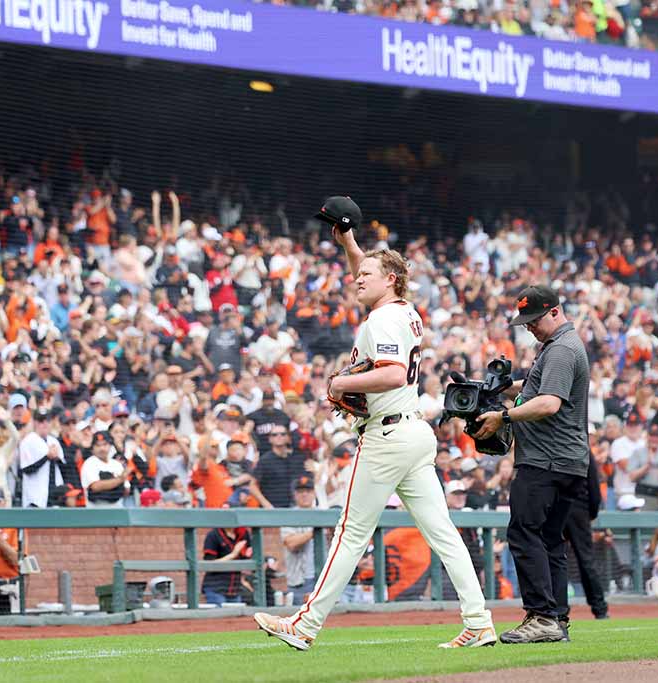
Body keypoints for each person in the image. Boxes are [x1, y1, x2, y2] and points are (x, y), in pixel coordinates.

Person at [254, 197, 495, 651]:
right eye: (358, 272)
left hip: (387, 435)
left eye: (366, 275)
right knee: (444, 533)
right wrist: (349, 243)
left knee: (350, 533)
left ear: (391, 280)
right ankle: (479, 621)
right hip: (414, 432)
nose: (357, 278)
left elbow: (391, 374)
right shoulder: (403, 311)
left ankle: (304, 625)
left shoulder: (382, 319)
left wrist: (340, 382)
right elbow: (371, 271)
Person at [473, 284, 591, 644]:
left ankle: (541, 616)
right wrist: (498, 388)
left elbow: (549, 403)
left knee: (524, 534)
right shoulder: (561, 346)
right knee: (550, 539)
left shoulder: (561, 349)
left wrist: (502, 416)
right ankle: (556, 620)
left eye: (534, 320)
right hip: (566, 461)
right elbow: (536, 388)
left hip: (546, 461)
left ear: (555, 311)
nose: (529, 327)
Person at [563, 454, 608, 621]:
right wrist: (592, 511)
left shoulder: (553, 445)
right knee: (586, 559)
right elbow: (594, 485)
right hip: (579, 508)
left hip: (558, 506)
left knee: (555, 559)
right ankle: (600, 608)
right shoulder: (583, 449)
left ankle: (558, 608)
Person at [280, 475, 319, 605]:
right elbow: (291, 543)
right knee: (299, 614)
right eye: (301, 491)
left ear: (314, 493)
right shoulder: (288, 516)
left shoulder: (323, 513)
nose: (304, 495)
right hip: (299, 581)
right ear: (295, 495)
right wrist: (315, 531)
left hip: (323, 578)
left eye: (308, 491)